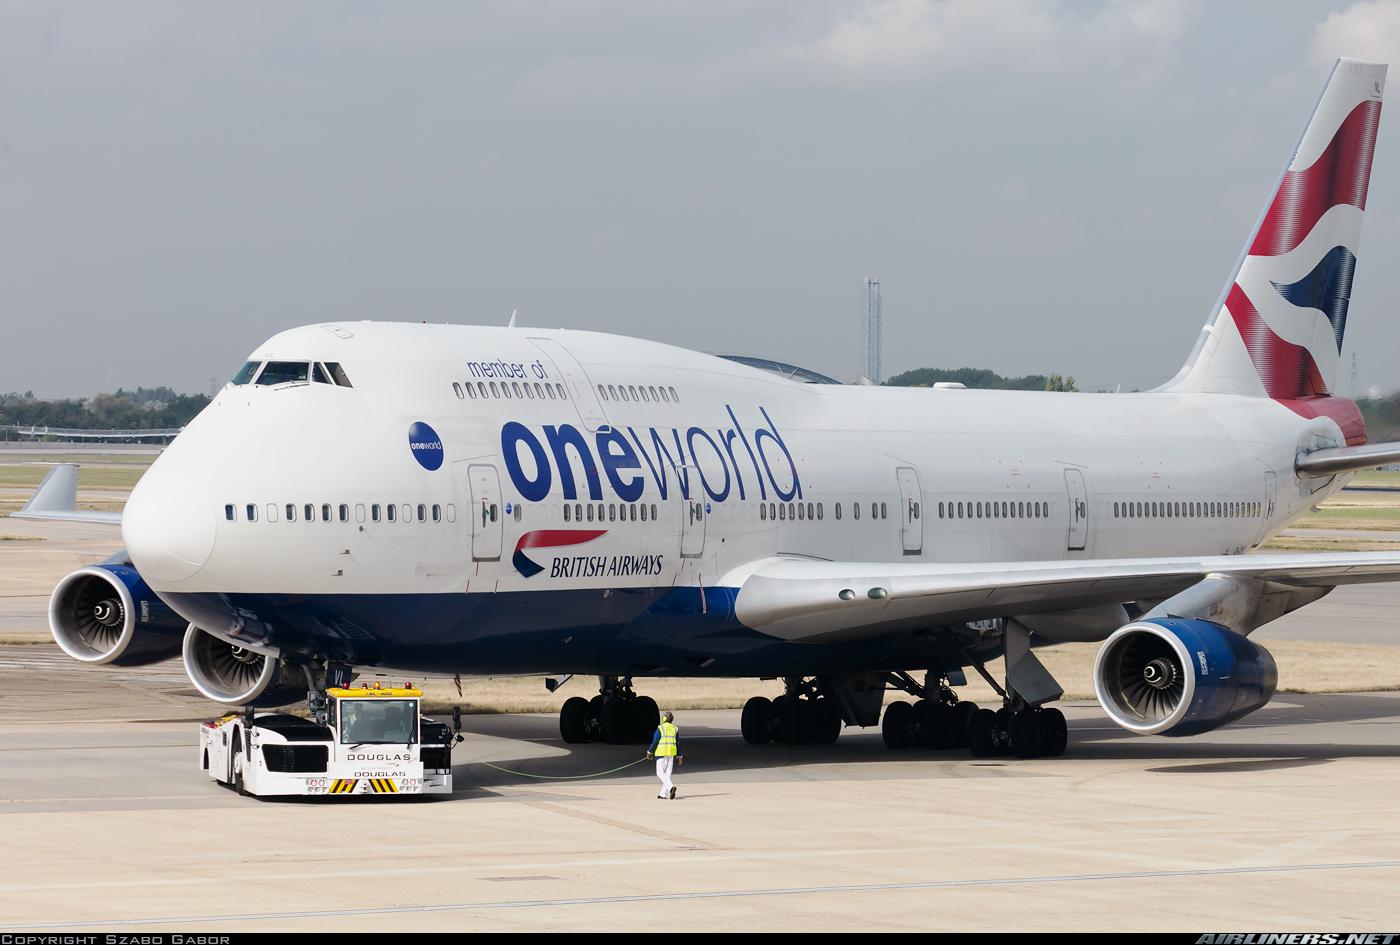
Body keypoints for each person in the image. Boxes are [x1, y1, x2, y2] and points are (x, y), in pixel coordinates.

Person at [645, 710, 682, 799]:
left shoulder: (660, 728)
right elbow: (678, 743)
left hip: (661, 754)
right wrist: (679, 756)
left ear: (665, 718)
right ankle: (663, 794)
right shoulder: (675, 728)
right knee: (667, 775)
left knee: (660, 773)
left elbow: (655, 741)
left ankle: (671, 787)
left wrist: (650, 752)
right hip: (671, 755)